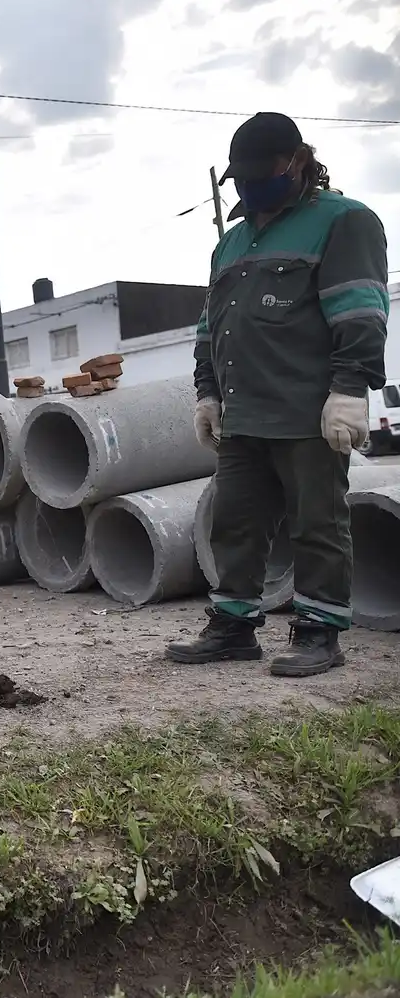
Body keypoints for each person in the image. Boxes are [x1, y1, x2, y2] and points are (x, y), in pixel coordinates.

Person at [167, 112, 388, 677]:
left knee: (316, 522)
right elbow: (210, 328)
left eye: (258, 173)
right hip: (243, 409)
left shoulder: (344, 221)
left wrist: (349, 390)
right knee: (234, 522)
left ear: (295, 162)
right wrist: (207, 392)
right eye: (238, 177)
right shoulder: (232, 242)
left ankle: (319, 630)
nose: (247, 186)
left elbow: (361, 312)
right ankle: (234, 625)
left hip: (308, 410)